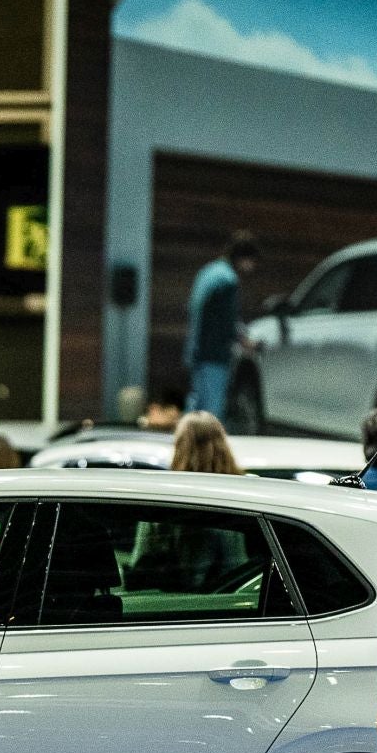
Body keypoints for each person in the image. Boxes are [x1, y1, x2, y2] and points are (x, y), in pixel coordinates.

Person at [127, 411, 246, 590]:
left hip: (163, 605)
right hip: (223, 607)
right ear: (222, 446)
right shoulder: (239, 498)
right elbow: (237, 568)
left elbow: (140, 561)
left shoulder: (160, 499)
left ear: (180, 447)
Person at [184, 231, 259, 419]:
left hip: (197, 349)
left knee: (196, 404)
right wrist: (244, 341)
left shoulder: (208, 272)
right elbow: (228, 319)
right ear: (244, 258)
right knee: (212, 411)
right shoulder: (228, 281)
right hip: (215, 353)